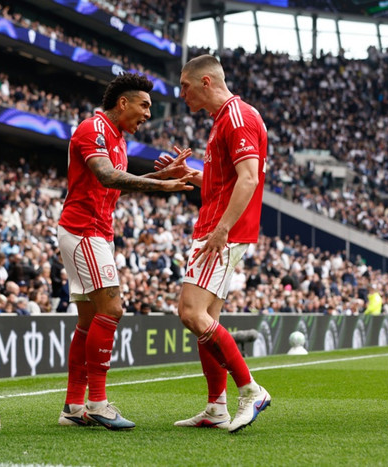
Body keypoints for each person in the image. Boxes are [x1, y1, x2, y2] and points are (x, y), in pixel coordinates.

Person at [57, 72, 192, 431]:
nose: (147, 114)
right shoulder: (94, 129)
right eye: (144, 106)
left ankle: (73, 406)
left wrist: (160, 177)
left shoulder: (117, 137)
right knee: (112, 310)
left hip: (97, 232)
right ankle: (98, 404)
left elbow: (115, 185)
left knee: (88, 322)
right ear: (123, 103)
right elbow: (106, 176)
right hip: (84, 230)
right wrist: (159, 187)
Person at [154, 55, 271, 433]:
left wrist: (221, 230)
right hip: (218, 227)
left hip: (220, 233)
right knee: (206, 319)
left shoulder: (236, 117)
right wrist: (189, 175)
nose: (181, 94)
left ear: (206, 82)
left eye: (185, 86)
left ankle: (251, 390)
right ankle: (216, 407)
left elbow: (249, 179)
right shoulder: (225, 119)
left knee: (191, 312)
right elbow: (224, 183)